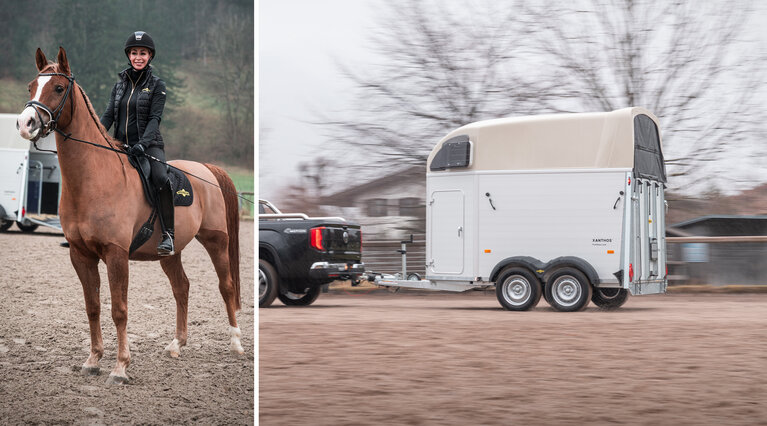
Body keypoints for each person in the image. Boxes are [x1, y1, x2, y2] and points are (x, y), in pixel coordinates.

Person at [101, 31, 174, 256]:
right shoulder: (119, 86)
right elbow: (108, 116)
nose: (138, 57)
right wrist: (97, 137)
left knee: (161, 178)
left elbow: (154, 119)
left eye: (142, 53)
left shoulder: (157, 85)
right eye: (134, 53)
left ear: (150, 56)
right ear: (129, 56)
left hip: (149, 146)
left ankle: (168, 234)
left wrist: (143, 144)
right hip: (120, 146)